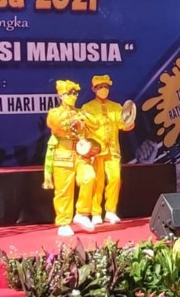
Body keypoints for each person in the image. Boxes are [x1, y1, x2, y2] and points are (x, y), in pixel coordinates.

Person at [44, 80, 97, 235]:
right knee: (64, 191)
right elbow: (56, 124)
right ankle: (63, 222)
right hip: (62, 155)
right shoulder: (55, 113)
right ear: (61, 95)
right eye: (69, 93)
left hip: (81, 155)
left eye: (75, 93)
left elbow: (95, 124)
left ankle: (81, 213)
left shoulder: (81, 112)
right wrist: (73, 119)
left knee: (90, 177)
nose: (73, 96)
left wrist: (85, 118)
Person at [81, 74, 135, 225]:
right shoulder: (87, 108)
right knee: (97, 182)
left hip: (113, 150)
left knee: (115, 179)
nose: (103, 89)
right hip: (96, 151)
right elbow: (83, 129)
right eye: (100, 87)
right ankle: (96, 213)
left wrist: (129, 123)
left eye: (106, 87)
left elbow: (122, 124)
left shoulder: (116, 107)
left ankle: (110, 211)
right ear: (94, 89)